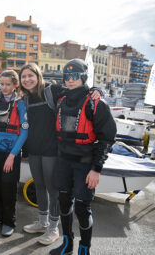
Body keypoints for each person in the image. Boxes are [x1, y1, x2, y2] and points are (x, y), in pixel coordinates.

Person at [19, 63, 102, 246]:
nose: (27, 79)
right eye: (23, 77)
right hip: (34, 150)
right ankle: (42, 222)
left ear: (38, 75)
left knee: (52, 189)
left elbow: (78, 90)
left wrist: (95, 89)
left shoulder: (52, 90)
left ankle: (53, 228)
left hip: (51, 150)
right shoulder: (25, 98)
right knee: (39, 186)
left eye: (30, 75)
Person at [50, 59, 116, 255]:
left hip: (85, 166)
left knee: (81, 209)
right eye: (67, 77)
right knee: (63, 203)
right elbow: (37, 88)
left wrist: (97, 169)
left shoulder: (96, 103)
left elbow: (106, 139)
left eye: (75, 77)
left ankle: (85, 249)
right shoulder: (61, 98)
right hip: (63, 162)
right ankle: (67, 244)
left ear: (83, 77)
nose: (70, 80)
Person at [0, 70, 28, 237]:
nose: (4, 87)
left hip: (11, 155)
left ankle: (9, 221)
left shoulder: (20, 104)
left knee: (9, 187)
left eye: (8, 84)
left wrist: (12, 155)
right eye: (2, 84)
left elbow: (24, 132)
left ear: (15, 85)